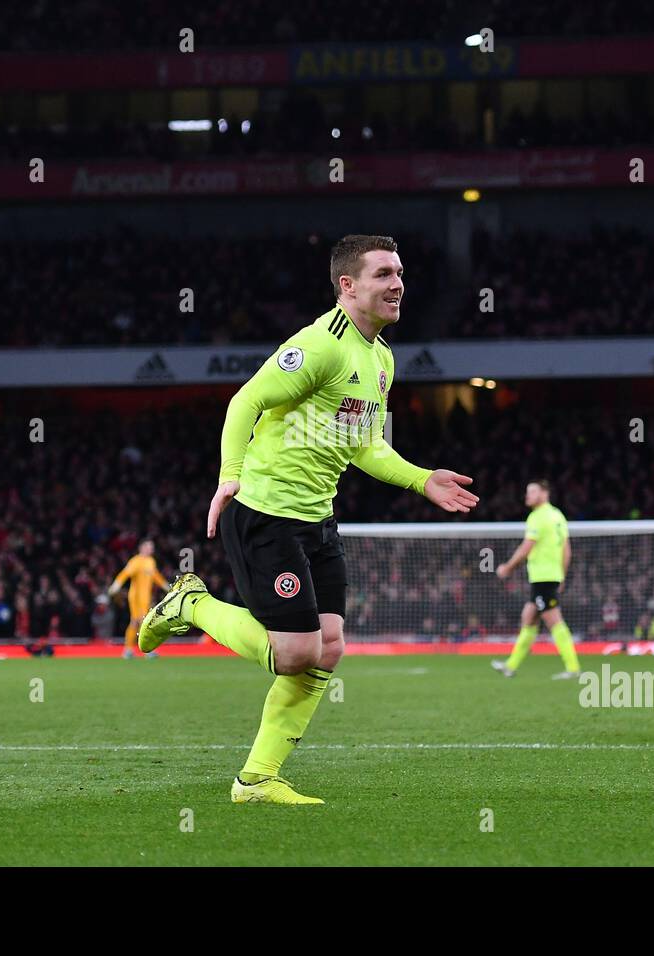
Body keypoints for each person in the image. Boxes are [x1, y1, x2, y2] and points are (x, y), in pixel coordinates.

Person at [139, 234, 479, 804]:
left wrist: (423, 479)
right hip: (266, 515)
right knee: (296, 652)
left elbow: (365, 445)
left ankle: (256, 781)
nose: (398, 283)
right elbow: (244, 401)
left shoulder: (381, 359)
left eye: (400, 273)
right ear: (347, 286)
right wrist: (229, 473)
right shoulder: (319, 346)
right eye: (383, 274)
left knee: (330, 645)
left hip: (317, 519)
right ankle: (189, 604)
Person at [491, 480, 580, 679]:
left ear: (544, 493)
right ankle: (510, 666)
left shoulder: (537, 517)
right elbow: (567, 550)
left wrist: (508, 567)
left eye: (532, 491)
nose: (527, 495)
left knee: (554, 620)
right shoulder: (558, 515)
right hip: (550, 576)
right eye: (527, 491)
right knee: (529, 616)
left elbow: (526, 547)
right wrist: (562, 575)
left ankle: (573, 668)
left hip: (543, 577)